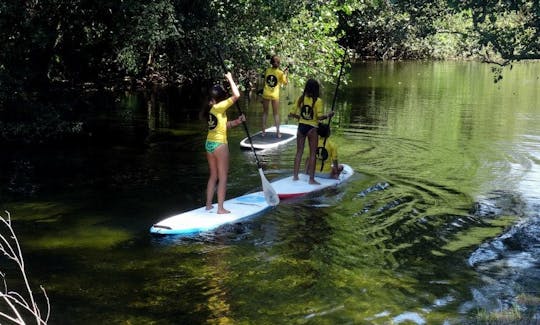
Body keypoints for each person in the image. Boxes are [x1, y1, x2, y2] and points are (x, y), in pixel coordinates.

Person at [205, 72, 245, 214]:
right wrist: (230, 79)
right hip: (219, 145)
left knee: (213, 176)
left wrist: (237, 122)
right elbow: (236, 95)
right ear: (221, 98)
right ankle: (220, 208)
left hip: (209, 144)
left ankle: (209, 205)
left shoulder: (211, 108)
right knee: (223, 177)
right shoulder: (219, 107)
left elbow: (223, 125)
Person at [288, 79, 334, 185]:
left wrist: (300, 118)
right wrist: (328, 115)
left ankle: (295, 177)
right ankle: (311, 180)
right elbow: (319, 117)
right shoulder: (318, 101)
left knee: (299, 152)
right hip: (312, 129)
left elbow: (291, 113)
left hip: (301, 127)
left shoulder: (301, 98)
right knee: (313, 154)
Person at [261, 55, 288, 138]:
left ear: (271, 63)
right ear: (279, 63)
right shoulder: (280, 72)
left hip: (266, 93)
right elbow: (285, 82)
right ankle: (278, 133)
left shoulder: (267, 70)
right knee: (276, 114)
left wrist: (283, 73)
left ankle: (263, 132)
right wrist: (285, 74)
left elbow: (268, 78)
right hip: (274, 95)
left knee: (265, 113)